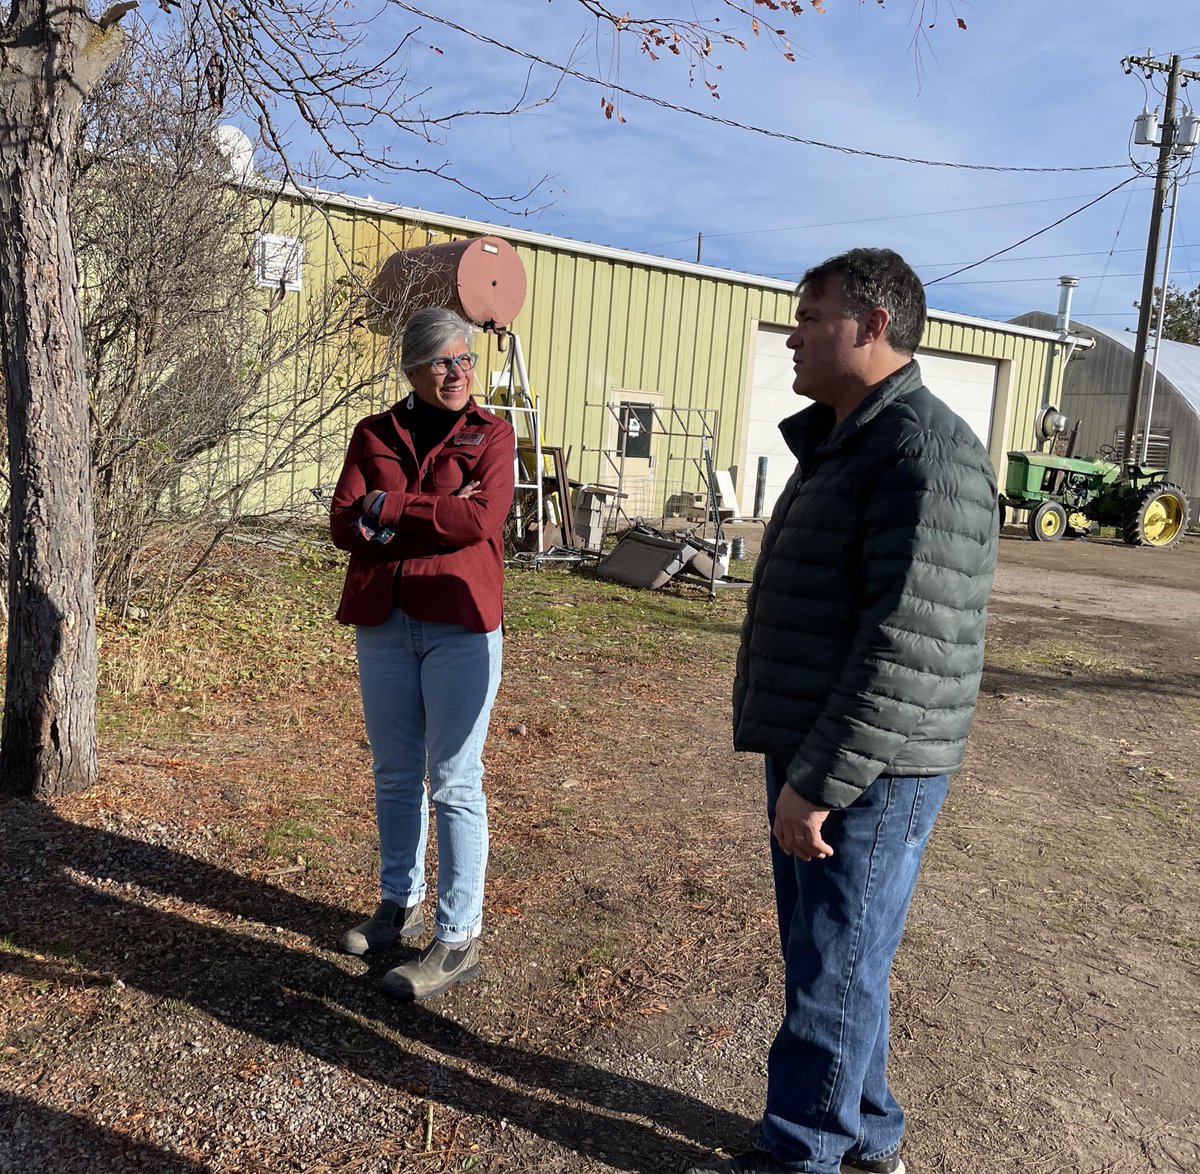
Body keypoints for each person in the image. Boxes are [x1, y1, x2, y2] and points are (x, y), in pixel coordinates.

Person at [688, 249, 998, 1174]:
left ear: (871, 326)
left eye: (809, 315)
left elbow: (903, 645)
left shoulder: (923, 453)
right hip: (828, 747)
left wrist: (819, 781)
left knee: (832, 969)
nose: (792, 333)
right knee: (843, 958)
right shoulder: (854, 437)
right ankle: (866, 1137)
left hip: (869, 766)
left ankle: (800, 1157)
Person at [330, 305, 515, 1001]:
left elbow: (479, 519)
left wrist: (389, 508)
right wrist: (409, 512)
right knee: (395, 772)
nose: (457, 372)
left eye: (465, 359)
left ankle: (458, 935)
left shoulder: (491, 435)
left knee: (456, 779)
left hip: (461, 627)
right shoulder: (373, 431)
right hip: (384, 621)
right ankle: (397, 903)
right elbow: (343, 523)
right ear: (411, 367)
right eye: (441, 361)